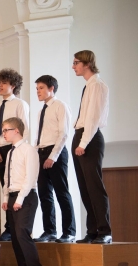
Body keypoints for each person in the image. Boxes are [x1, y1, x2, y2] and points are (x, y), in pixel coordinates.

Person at [72, 50, 111, 244]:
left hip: (90, 137)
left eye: (76, 62)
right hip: (80, 135)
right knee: (85, 187)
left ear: (87, 63)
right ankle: (93, 230)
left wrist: (83, 143)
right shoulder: (88, 85)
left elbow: (93, 118)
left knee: (95, 186)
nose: (74, 66)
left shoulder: (97, 85)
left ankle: (104, 231)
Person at [0, 118, 45, 266]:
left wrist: (19, 199)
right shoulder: (11, 152)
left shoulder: (28, 150)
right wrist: (6, 198)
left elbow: (30, 177)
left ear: (16, 130)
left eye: (6, 130)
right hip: (12, 196)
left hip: (26, 197)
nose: (3, 133)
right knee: (15, 238)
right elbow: (6, 177)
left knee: (22, 234)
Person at [32, 75, 76, 244]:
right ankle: (50, 231)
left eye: (41, 88)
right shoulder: (41, 111)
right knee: (44, 194)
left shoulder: (60, 106)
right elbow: (39, 136)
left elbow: (64, 134)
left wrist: (52, 156)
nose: (38, 91)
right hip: (41, 152)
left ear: (51, 88)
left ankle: (69, 232)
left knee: (62, 192)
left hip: (55, 153)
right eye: (37, 89)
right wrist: (36, 154)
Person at [0, 69, 30, 242]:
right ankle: (9, 228)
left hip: (14, 148)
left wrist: (16, 149)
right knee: (5, 188)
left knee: (14, 188)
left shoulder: (20, 104)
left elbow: (24, 129)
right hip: (0, 150)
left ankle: (14, 228)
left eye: (4, 83)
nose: (1, 86)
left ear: (13, 86)